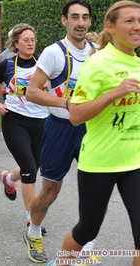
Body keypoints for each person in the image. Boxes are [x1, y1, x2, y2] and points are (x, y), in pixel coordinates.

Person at [47, 1, 140, 265]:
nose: (137, 26)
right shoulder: (98, 64)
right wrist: (114, 94)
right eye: (129, 21)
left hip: (135, 162)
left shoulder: (137, 63)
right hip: (100, 162)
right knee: (87, 230)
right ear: (110, 27)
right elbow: (75, 116)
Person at [25, 0, 101, 264]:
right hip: (60, 129)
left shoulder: (98, 51)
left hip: (91, 130)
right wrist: (66, 103)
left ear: (90, 22)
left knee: (96, 189)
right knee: (49, 193)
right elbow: (32, 91)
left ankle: (86, 243)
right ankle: (33, 231)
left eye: (85, 17)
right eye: (75, 17)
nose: (80, 22)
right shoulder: (53, 52)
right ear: (64, 21)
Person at [0, 23, 48, 235]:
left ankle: (9, 178)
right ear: (16, 43)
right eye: (26, 40)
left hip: (40, 121)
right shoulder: (7, 65)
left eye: (33, 40)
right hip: (14, 120)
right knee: (29, 169)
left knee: (32, 167)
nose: (30, 44)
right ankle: (32, 219)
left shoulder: (44, 65)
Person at [0, 28, 17, 101]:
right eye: (13, 36)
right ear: (9, 38)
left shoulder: (27, 54)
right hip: (8, 90)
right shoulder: (4, 55)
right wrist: (3, 82)